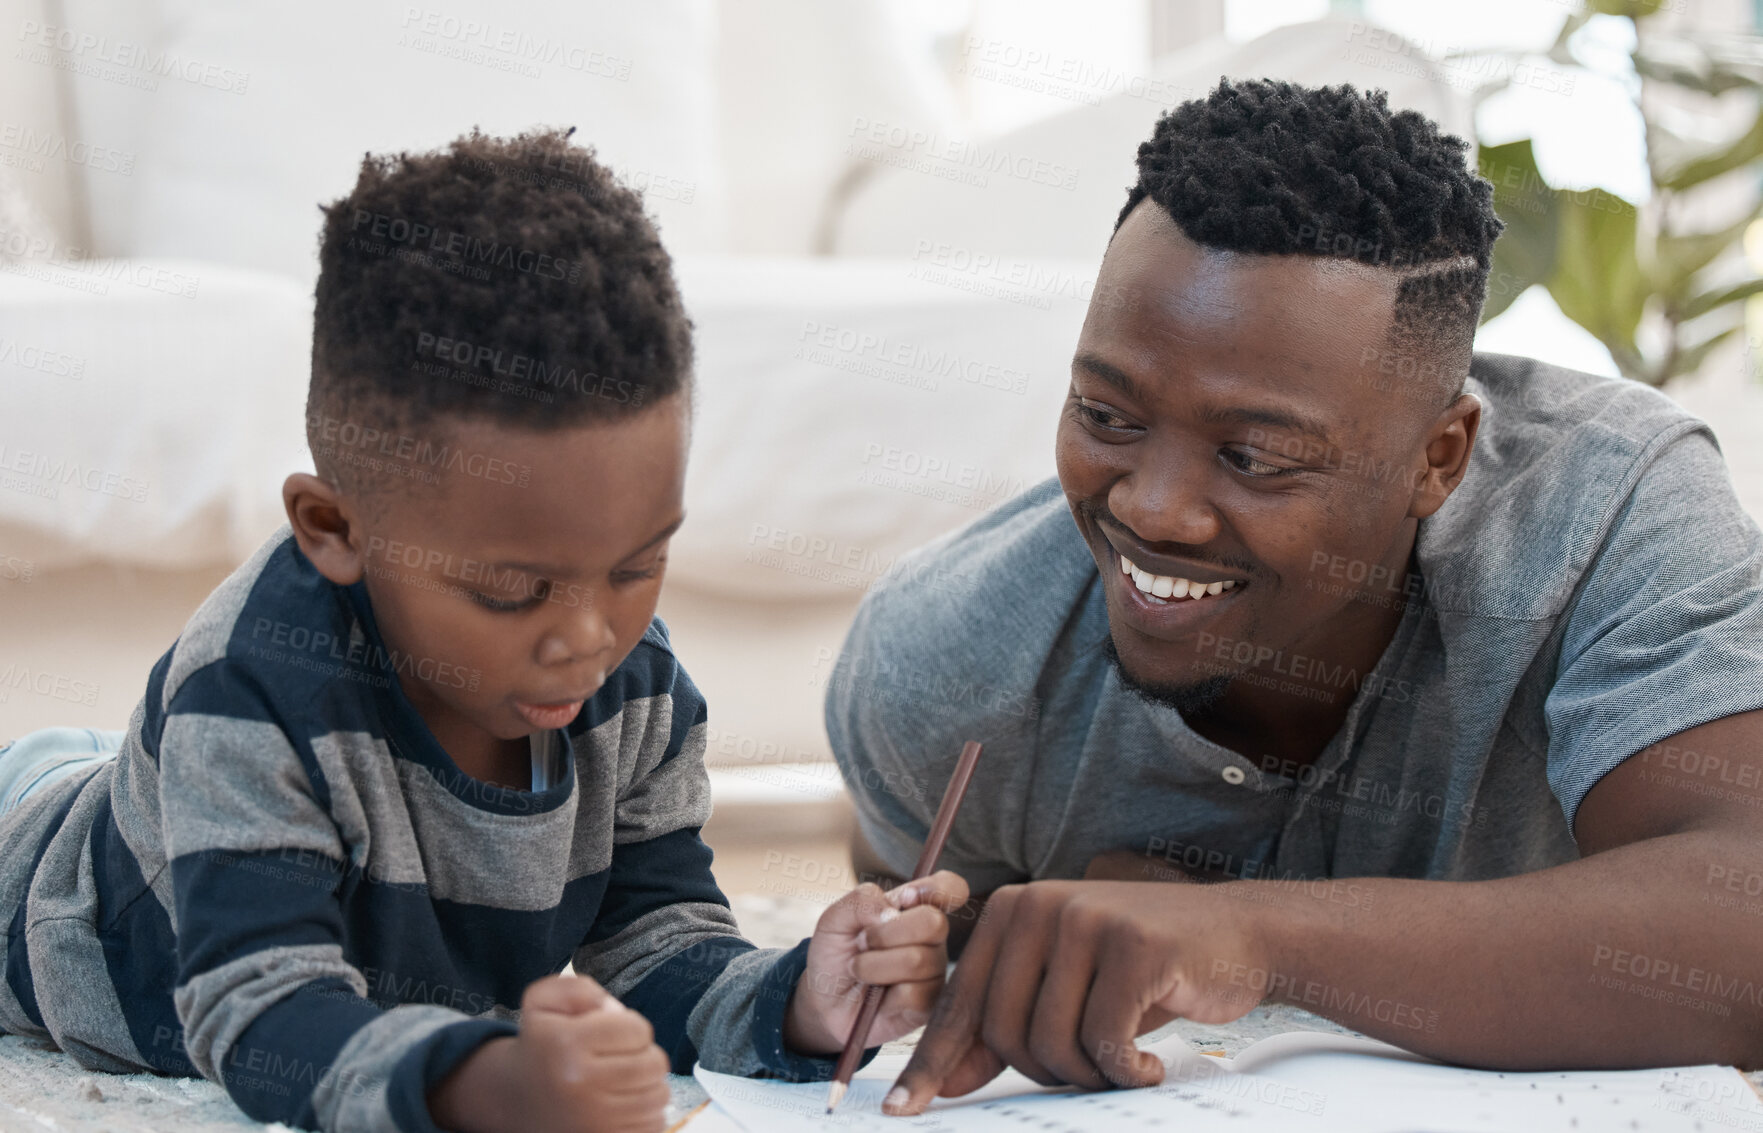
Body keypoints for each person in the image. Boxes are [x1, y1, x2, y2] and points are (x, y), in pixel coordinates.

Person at [818, 79, 1763, 1116]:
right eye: (1104, 411)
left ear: (1436, 457)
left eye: (1252, 456)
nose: (1155, 507)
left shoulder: (1605, 506)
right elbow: (914, 949)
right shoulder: (943, 663)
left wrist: (1248, 935)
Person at [0, 127, 965, 1133]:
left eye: (637, 564)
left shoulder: (634, 686)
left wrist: (804, 997)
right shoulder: (251, 686)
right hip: (27, 868)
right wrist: (489, 1081)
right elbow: (260, 1012)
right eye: (513, 590)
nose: (589, 638)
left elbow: (655, 941)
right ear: (334, 529)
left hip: (156, 783)